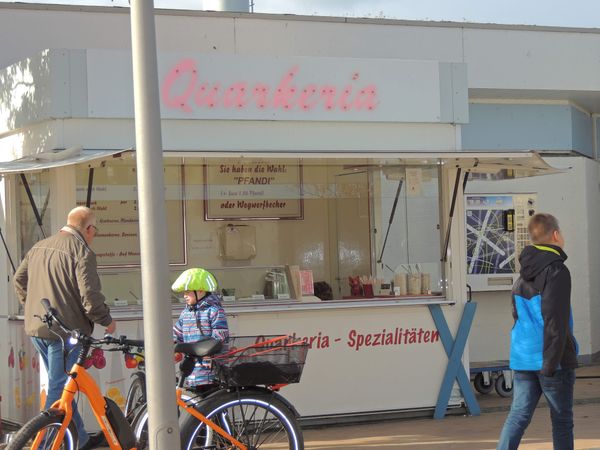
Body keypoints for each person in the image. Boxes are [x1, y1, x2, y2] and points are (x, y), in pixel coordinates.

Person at [14, 206, 116, 450]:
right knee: (60, 387)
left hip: (38, 328)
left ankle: (81, 438)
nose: (94, 235)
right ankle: (43, 445)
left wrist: (31, 308)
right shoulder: (83, 252)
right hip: (66, 331)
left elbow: (19, 279)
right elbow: (90, 298)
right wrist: (106, 320)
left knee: (63, 385)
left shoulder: (39, 246)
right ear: (88, 228)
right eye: (95, 230)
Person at [497, 213, 578, 450]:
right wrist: (552, 363)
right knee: (562, 421)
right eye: (561, 232)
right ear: (555, 235)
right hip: (551, 360)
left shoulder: (522, 275)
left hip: (523, 358)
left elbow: (517, 315)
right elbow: (556, 319)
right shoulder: (557, 271)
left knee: (518, 416)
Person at [172, 267, 229, 391]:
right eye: (184, 292)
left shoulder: (214, 311)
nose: (185, 296)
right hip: (193, 371)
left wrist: (207, 352)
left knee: (214, 405)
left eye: (188, 292)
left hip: (212, 372)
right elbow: (176, 334)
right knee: (199, 407)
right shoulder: (186, 313)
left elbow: (220, 337)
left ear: (201, 291)